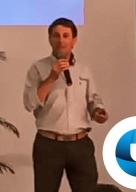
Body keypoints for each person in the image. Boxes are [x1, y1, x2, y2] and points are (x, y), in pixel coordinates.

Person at [23, 17, 108, 192]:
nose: (61, 40)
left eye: (66, 36)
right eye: (56, 35)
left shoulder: (83, 70)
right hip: (49, 145)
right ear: (49, 39)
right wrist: (51, 78)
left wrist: (97, 111)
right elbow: (30, 103)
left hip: (80, 144)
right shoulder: (38, 68)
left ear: (74, 40)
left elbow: (93, 99)